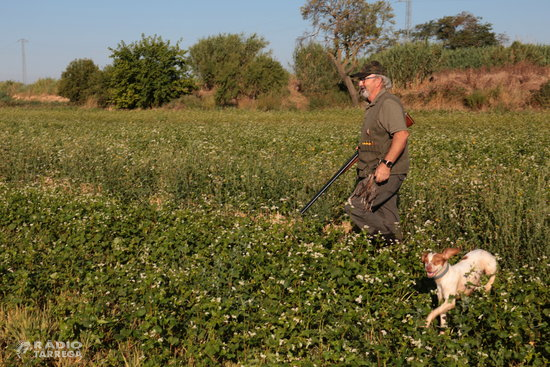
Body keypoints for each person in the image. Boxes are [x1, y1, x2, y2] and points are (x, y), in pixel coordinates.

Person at [344, 61, 410, 244]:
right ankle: (394, 253)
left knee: (355, 206)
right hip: (373, 169)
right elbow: (380, 135)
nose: (360, 83)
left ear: (379, 80)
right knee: (388, 217)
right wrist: (365, 147)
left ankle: (388, 240)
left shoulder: (387, 103)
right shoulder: (374, 105)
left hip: (384, 171)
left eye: (364, 79)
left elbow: (401, 134)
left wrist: (386, 164)